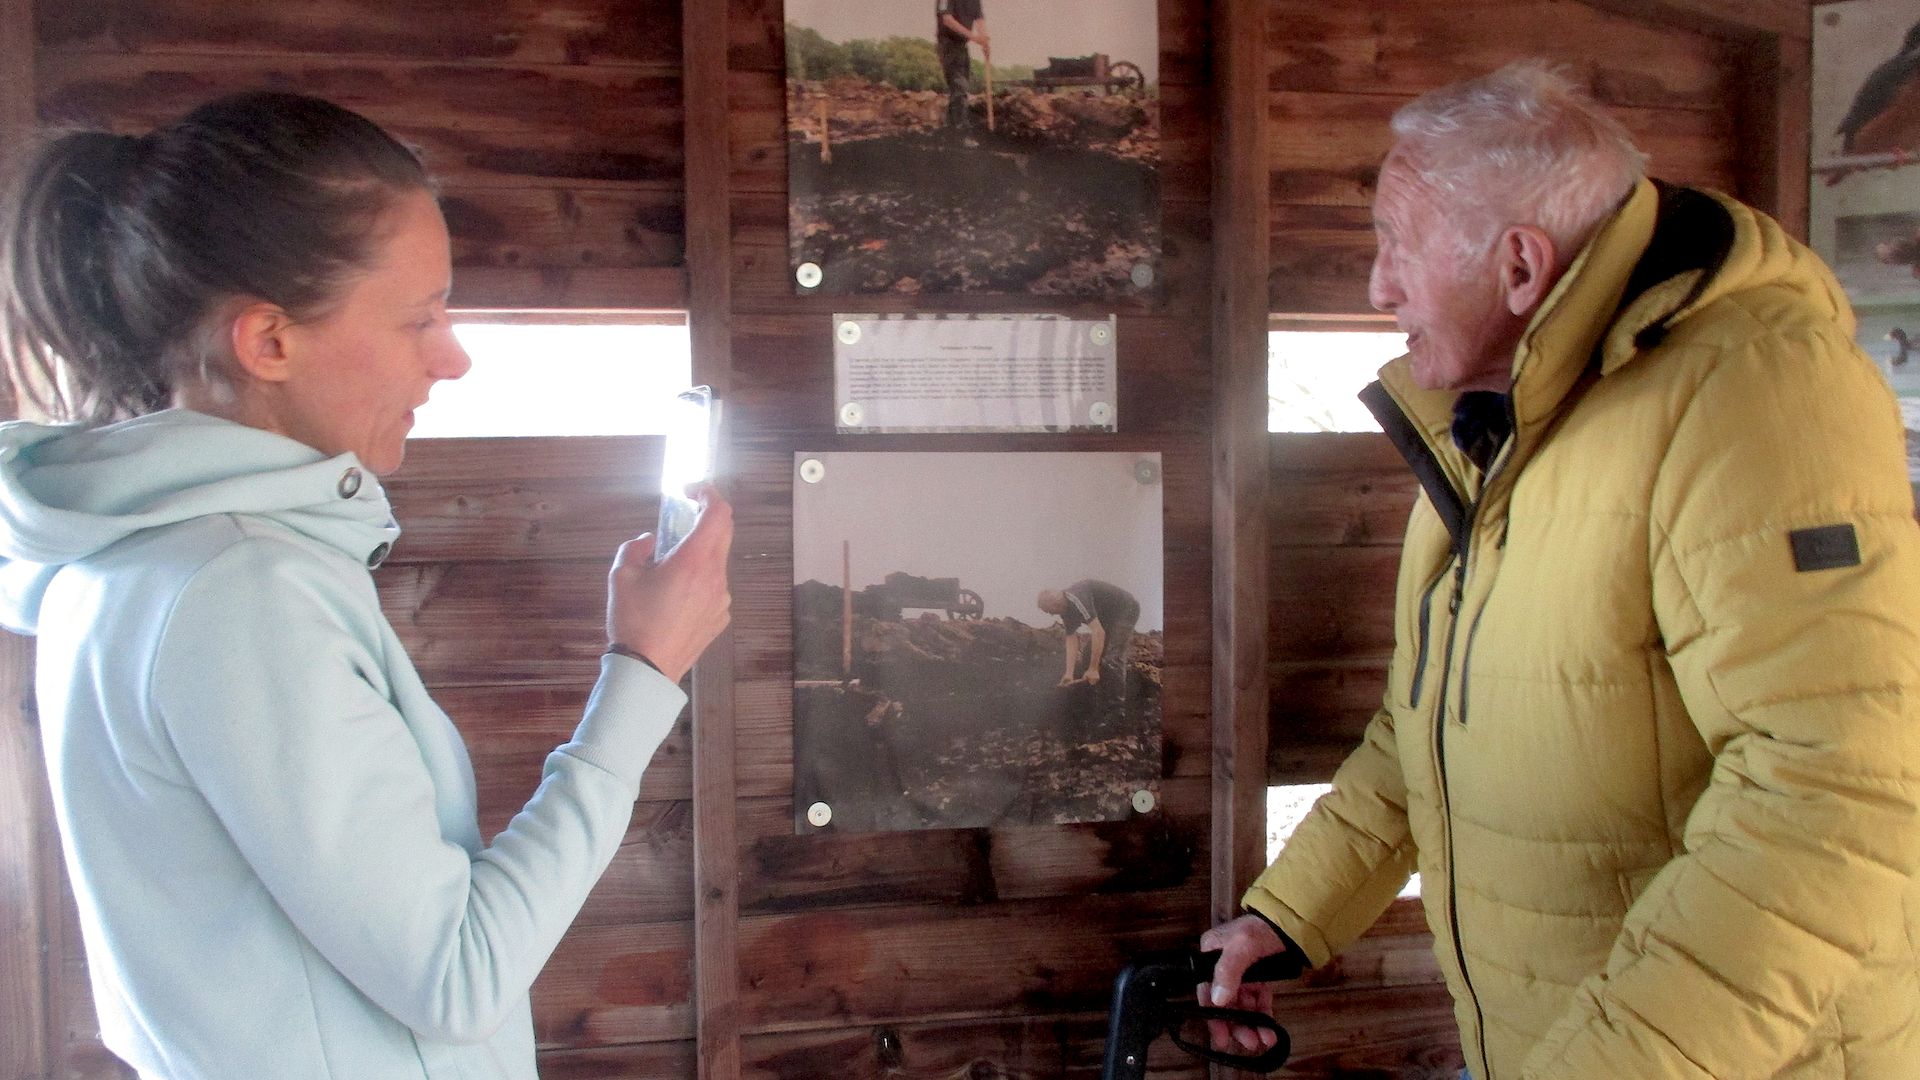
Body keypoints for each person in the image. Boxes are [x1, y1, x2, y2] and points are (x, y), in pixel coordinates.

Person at [1200, 60, 1920, 1080]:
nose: (1377, 286)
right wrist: (1291, 916)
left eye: (1395, 247)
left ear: (1523, 267)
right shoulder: (1504, 420)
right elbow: (1430, 728)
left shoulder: (1755, 392)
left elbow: (1830, 794)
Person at [0, 91, 733, 1080]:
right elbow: (457, 976)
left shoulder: (127, 558)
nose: (454, 356)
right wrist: (644, 672)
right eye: (418, 318)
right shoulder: (240, 591)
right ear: (268, 342)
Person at [1037, 579, 1138, 694]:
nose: (1052, 614)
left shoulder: (1077, 598)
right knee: (1087, 656)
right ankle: (1097, 696)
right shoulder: (1066, 610)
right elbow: (1071, 639)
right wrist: (1069, 674)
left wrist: (1093, 668)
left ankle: (1116, 708)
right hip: (1107, 618)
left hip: (1126, 609)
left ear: (1055, 602)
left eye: (1050, 611)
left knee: (1113, 658)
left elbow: (1098, 632)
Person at [935, 0, 988, 133]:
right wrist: (974, 37)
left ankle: (950, 129)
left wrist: (985, 42)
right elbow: (947, 20)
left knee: (959, 88)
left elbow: (980, 19)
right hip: (947, 44)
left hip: (961, 46)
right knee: (960, 86)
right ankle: (960, 131)